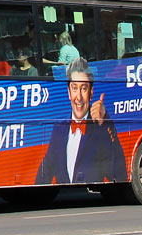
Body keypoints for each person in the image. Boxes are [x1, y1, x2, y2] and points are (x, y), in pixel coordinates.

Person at [34, 57, 126, 185]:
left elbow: (119, 173)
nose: (79, 97)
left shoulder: (99, 127)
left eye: (84, 88)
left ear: (91, 92)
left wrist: (105, 119)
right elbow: (46, 170)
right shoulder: (59, 129)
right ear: (69, 93)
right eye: (74, 88)